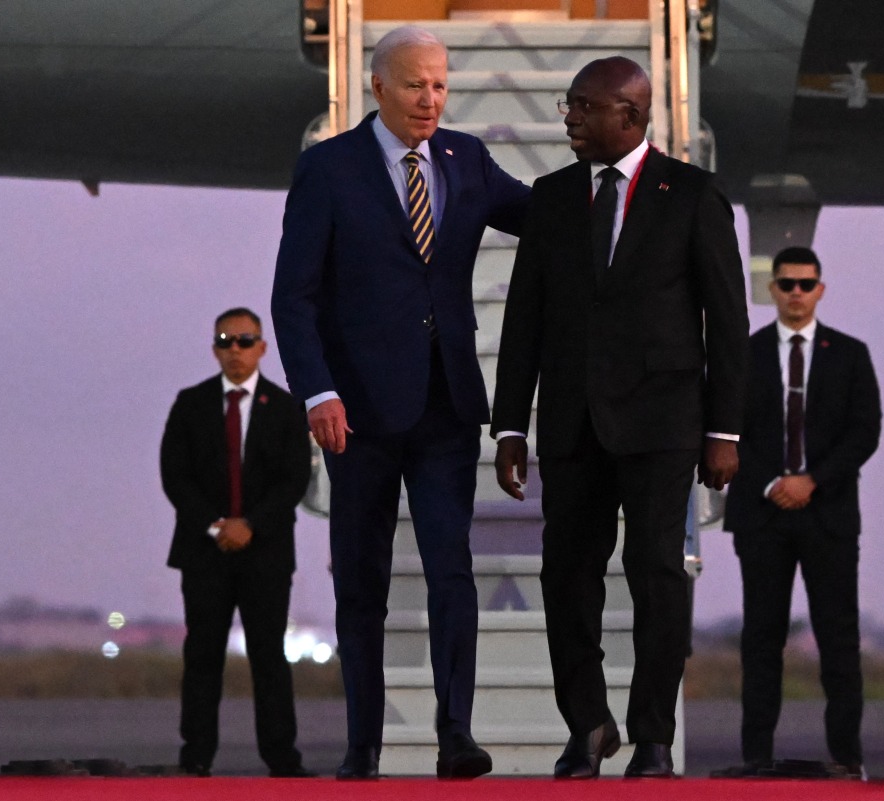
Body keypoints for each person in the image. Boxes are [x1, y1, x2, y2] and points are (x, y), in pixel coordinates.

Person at [270, 25, 530, 780]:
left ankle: (457, 735)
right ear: (379, 86)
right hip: (357, 412)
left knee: (453, 567)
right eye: (416, 84)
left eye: (441, 85)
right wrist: (317, 388)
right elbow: (295, 296)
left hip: (445, 401)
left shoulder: (466, 159)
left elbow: (541, 215)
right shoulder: (328, 169)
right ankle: (363, 745)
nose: (430, 99)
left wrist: (618, 181)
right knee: (363, 581)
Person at [490, 56, 749, 779]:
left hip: (664, 421)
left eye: (582, 106)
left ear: (628, 116)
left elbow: (728, 321)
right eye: (567, 104)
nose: (568, 117)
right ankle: (589, 725)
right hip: (572, 421)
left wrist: (725, 430)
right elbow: (525, 319)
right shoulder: (551, 197)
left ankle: (654, 735)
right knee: (566, 576)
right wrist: (510, 422)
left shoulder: (691, 194)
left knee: (657, 571)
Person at [723, 246, 881, 777]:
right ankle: (756, 757)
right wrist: (773, 483)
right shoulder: (744, 354)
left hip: (828, 514)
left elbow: (865, 432)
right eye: (786, 283)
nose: (795, 292)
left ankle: (846, 756)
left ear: (820, 289)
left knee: (838, 638)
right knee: (761, 638)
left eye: (805, 284)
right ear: (771, 289)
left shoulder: (850, 354)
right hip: (762, 514)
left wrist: (812, 480)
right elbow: (727, 430)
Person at [160, 307, 312, 778]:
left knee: (269, 657)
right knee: (202, 656)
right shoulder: (191, 404)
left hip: (265, 553)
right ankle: (196, 756)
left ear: (262, 347)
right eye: (226, 341)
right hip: (204, 552)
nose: (235, 350)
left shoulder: (286, 408)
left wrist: (250, 526)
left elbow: (294, 480)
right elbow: (174, 475)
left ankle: (282, 758)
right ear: (214, 349)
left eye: (245, 341)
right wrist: (216, 525)